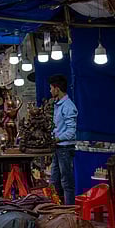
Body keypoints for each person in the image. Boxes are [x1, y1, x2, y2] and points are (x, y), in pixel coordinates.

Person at [49, 75, 79, 205]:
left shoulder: (68, 106)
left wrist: (56, 139)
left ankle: (70, 210)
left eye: (51, 88)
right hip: (58, 148)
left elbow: (71, 132)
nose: (50, 91)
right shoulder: (58, 105)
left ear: (57, 89)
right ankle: (59, 207)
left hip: (65, 148)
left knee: (66, 182)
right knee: (55, 181)